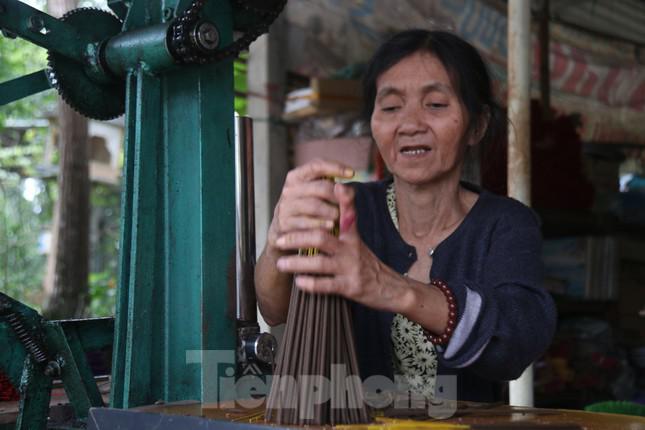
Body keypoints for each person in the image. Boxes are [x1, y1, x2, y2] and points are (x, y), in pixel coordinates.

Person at [255, 29, 557, 403]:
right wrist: (278, 241)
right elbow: (275, 309)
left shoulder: (506, 224)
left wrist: (392, 288)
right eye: (391, 107)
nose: (410, 124)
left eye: (435, 105)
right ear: (374, 124)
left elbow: (518, 341)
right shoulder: (349, 209)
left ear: (477, 125)